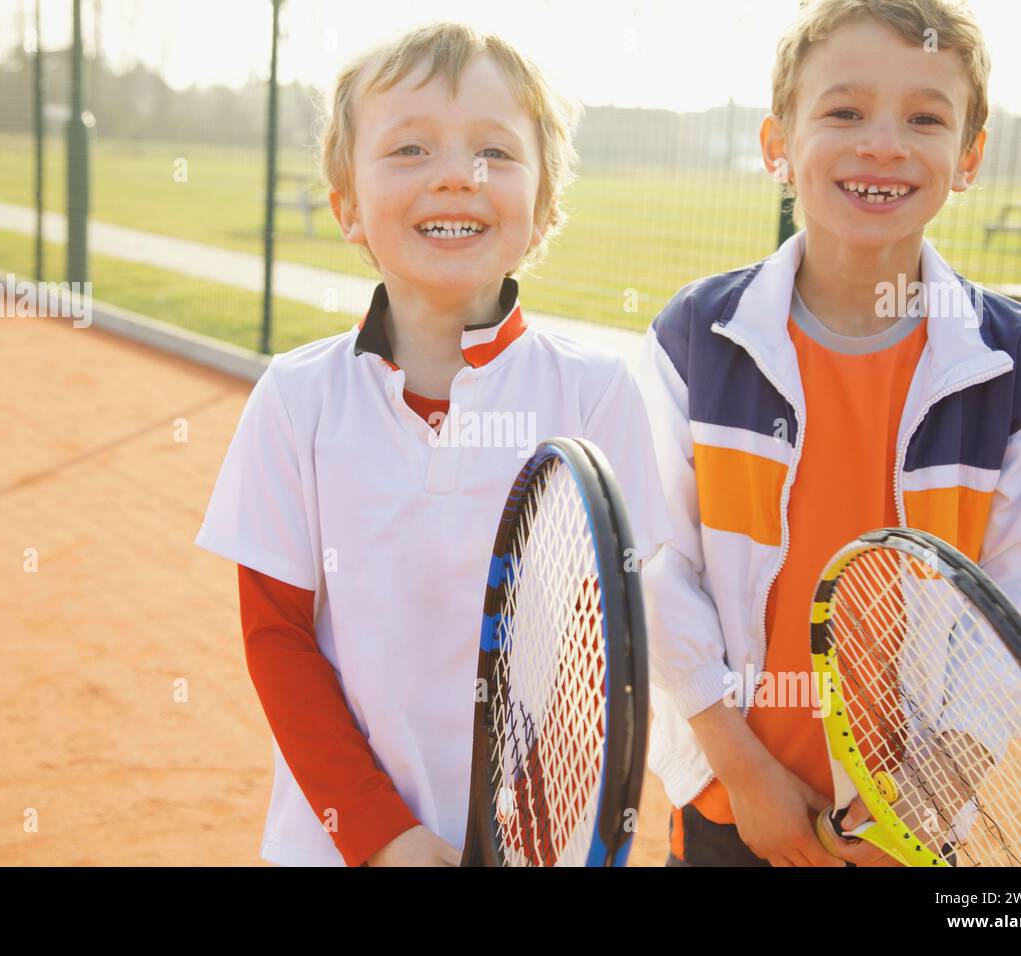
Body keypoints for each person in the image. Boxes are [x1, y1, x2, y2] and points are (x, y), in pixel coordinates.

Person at [637, 0, 1021, 867]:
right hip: (730, 803)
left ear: (969, 156)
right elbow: (657, 565)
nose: (882, 143)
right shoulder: (693, 339)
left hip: (916, 826)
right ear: (778, 144)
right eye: (844, 111)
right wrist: (742, 773)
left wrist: (935, 787)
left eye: (924, 118)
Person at [196, 22, 671, 867]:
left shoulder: (598, 393)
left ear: (545, 206)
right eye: (410, 149)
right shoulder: (295, 399)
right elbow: (278, 640)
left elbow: (598, 661)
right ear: (346, 207)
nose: (457, 174)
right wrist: (386, 840)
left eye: (494, 151)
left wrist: (522, 835)